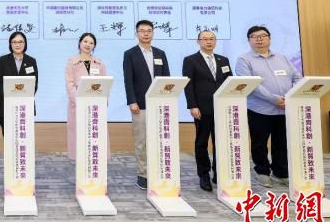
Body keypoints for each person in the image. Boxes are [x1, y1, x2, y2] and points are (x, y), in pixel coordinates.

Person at [236, 25, 302, 188]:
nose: (259, 39)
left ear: (269, 38)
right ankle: (262, 172)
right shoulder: (244, 60)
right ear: (249, 40)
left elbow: (297, 78)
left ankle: (280, 172)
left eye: (263, 36)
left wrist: (290, 97)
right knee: (259, 143)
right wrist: (274, 99)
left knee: (282, 143)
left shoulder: (282, 58)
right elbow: (251, 85)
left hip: (284, 109)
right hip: (259, 109)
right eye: (254, 36)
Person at [182, 30, 232, 192]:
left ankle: (219, 173)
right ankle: (204, 175)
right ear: (198, 42)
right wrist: (192, 105)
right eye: (205, 39)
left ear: (215, 41)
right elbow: (188, 85)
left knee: (221, 142)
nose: (209, 42)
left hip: (222, 108)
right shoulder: (190, 60)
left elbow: (230, 82)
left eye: (211, 39)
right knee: (202, 143)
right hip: (202, 109)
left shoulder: (223, 60)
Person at [123, 20, 170, 190]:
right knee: (141, 141)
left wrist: (167, 99)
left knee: (160, 139)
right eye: (142, 31)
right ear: (137, 33)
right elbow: (128, 80)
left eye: (149, 31)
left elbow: (167, 78)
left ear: (153, 33)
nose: (146, 34)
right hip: (140, 104)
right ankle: (143, 174)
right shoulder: (130, 54)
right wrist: (132, 101)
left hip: (159, 104)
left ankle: (158, 171)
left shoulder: (160, 53)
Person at [64, 32, 107, 160]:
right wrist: (78, 101)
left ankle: (94, 164)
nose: (88, 44)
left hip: (95, 106)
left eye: (91, 43)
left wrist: (104, 102)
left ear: (94, 46)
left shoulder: (99, 63)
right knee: (80, 137)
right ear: (80, 42)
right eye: (85, 41)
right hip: (78, 105)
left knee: (95, 137)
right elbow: (70, 84)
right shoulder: (72, 62)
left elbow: (104, 84)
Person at [0, 31, 39, 134]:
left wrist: (22, 97)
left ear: (25, 43)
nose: (17, 45)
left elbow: (34, 83)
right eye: (14, 42)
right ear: (10, 44)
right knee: (8, 136)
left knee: (23, 136)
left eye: (20, 42)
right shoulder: (3, 60)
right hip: (5, 104)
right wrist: (10, 97)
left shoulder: (31, 61)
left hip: (25, 105)